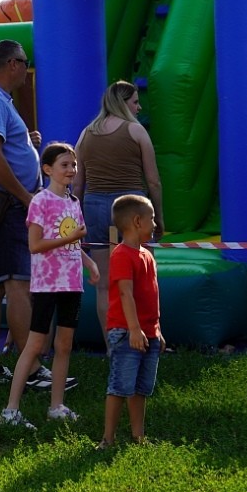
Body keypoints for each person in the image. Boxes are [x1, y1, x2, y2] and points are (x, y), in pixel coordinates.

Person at [0, 39, 61, 391]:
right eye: (24, 62)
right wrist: (25, 196)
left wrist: (26, 143)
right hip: (7, 205)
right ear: (13, 64)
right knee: (19, 285)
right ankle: (31, 369)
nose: (26, 69)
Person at [0, 143, 100, 429]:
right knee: (36, 345)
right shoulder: (40, 202)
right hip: (47, 284)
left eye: (74, 165)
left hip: (71, 283)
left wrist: (89, 264)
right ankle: (10, 410)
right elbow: (35, 245)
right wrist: (71, 240)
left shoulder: (73, 203)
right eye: (64, 165)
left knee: (65, 344)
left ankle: (56, 406)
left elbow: (75, 241)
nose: (71, 170)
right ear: (48, 169)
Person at [74, 81, 165, 338]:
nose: (139, 107)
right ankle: (147, 337)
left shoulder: (86, 134)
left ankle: (112, 345)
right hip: (130, 208)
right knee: (142, 278)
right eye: (135, 101)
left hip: (95, 207)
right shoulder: (136, 131)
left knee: (104, 285)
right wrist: (158, 216)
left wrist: (78, 217)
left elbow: (78, 183)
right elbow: (154, 181)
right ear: (122, 103)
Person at [99, 194, 164, 449]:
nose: (156, 223)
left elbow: (152, 296)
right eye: (152, 218)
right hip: (127, 332)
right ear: (137, 221)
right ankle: (108, 439)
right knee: (119, 385)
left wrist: (157, 330)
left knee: (140, 388)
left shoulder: (147, 255)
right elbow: (125, 293)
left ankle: (138, 436)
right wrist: (134, 330)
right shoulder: (122, 255)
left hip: (148, 332)